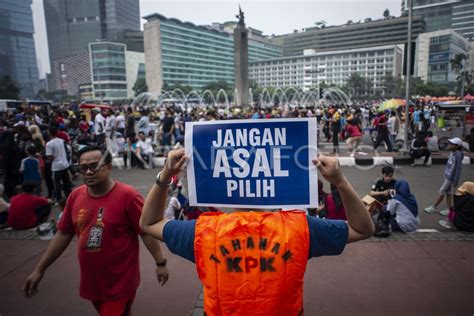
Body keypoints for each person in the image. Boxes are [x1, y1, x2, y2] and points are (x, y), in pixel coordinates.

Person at [139, 149, 375, 315]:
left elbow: (149, 223)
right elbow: (362, 229)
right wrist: (340, 181)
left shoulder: (204, 231)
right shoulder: (299, 227)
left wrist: (165, 177)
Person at [23, 146, 169, 315]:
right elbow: (63, 233)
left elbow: (145, 231)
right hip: (92, 281)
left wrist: (160, 263)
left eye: (94, 166)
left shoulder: (128, 196)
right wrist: (40, 269)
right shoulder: (75, 196)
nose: (88, 172)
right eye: (83, 168)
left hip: (120, 281)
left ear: (108, 167)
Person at [425, 137, 464, 214]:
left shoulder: (458, 155)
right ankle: (449, 209)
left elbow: (458, 168)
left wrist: (456, 179)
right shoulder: (452, 152)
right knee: (448, 192)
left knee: (442, 191)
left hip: (451, 177)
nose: (449, 145)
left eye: (452, 144)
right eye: (450, 143)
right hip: (447, 175)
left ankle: (434, 207)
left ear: (457, 146)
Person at [45, 126, 72, 202]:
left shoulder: (49, 144)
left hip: (56, 166)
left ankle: (59, 198)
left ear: (49, 133)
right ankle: (69, 196)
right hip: (64, 164)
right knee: (66, 182)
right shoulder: (62, 141)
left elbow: (50, 157)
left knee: (57, 184)